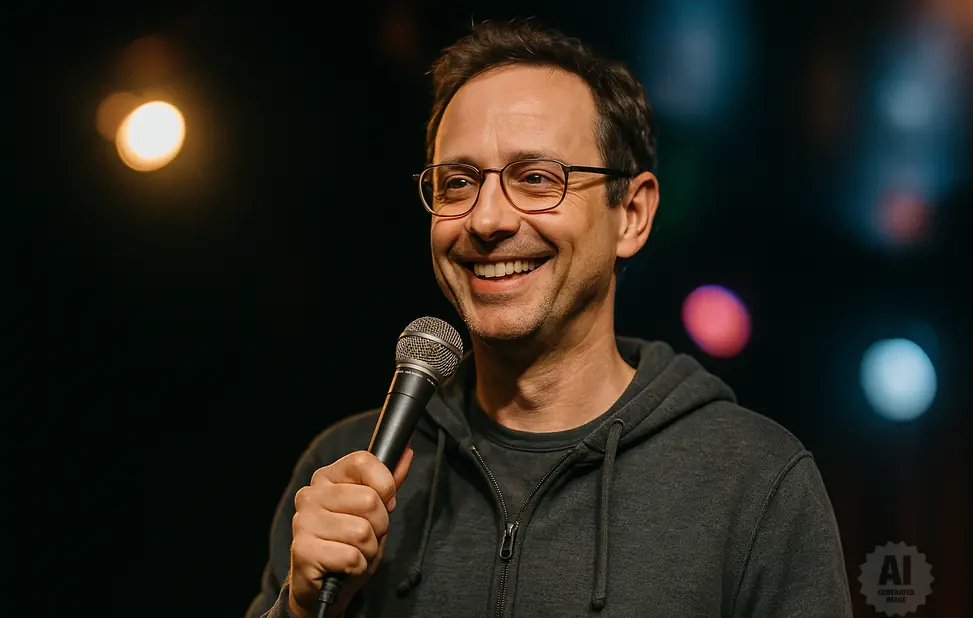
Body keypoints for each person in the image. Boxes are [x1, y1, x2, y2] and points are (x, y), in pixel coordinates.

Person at [246, 18, 852, 618]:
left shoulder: (751, 480)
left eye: (536, 179)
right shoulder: (349, 469)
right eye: (458, 183)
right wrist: (302, 609)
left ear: (632, 215)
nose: (486, 220)